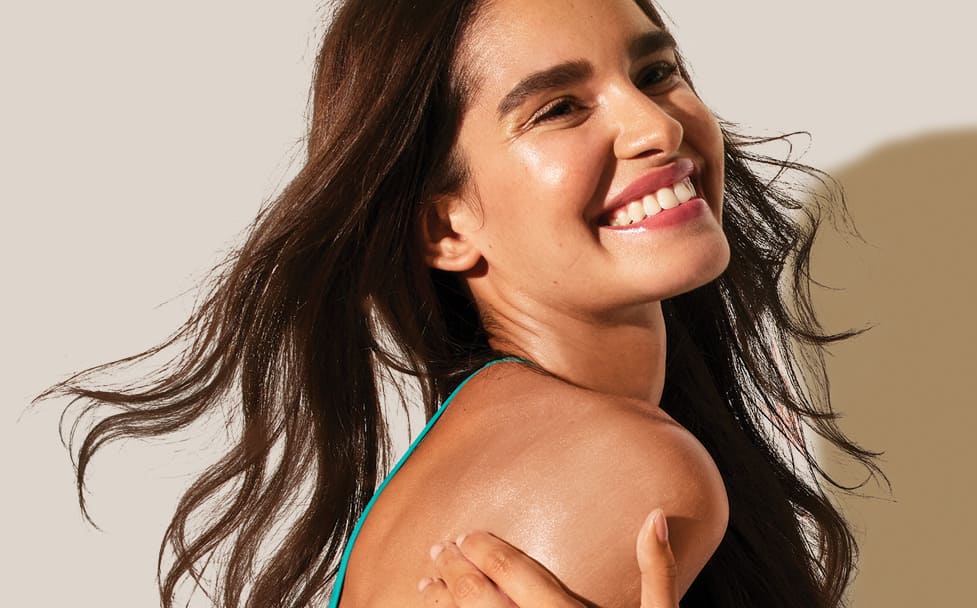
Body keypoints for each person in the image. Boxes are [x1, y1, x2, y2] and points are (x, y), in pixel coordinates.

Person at [42, 0, 881, 606]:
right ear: (445, 229)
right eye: (558, 108)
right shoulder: (625, 470)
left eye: (654, 71)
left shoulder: (510, 435)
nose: (655, 125)